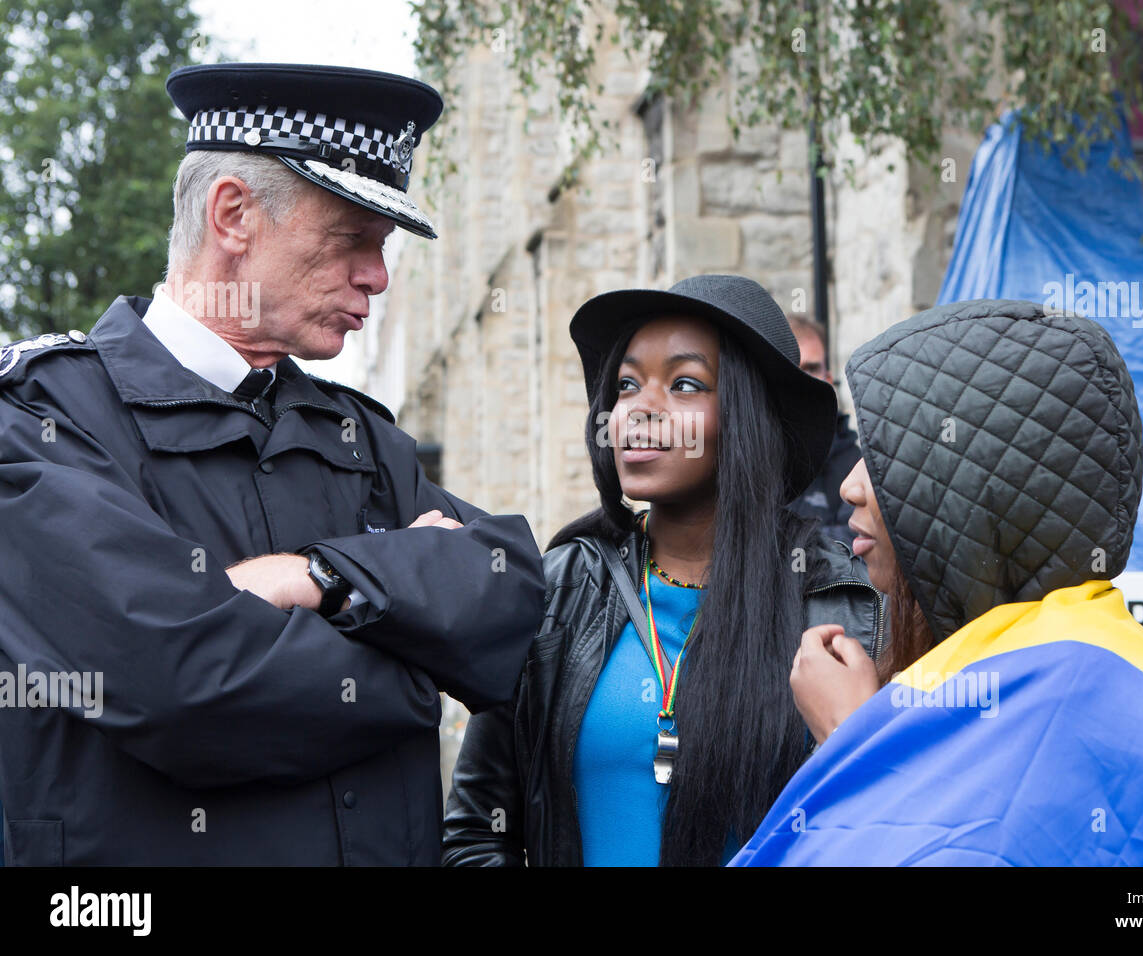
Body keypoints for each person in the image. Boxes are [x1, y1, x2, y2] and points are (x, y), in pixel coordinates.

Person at [0, 63, 545, 865]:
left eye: (383, 246)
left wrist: (318, 576)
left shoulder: (357, 434)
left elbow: (510, 587)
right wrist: (419, 664)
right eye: (350, 239)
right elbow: (182, 690)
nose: (379, 276)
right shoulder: (44, 420)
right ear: (232, 215)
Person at [732, 299, 1143, 866]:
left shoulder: (1076, 687)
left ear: (977, 495)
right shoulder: (1028, 657)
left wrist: (853, 742)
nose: (851, 486)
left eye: (890, 459)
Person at [441, 274, 885, 866]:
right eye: (626, 385)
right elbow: (475, 835)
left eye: (683, 384)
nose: (637, 411)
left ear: (746, 417)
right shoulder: (556, 592)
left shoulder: (844, 604)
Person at [786, 313, 858, 545]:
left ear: (827, 379)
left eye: (810, 369)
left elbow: (857, 545)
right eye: (791, 369)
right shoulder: (746, 456)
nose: (802, 381)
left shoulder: (854, 465)